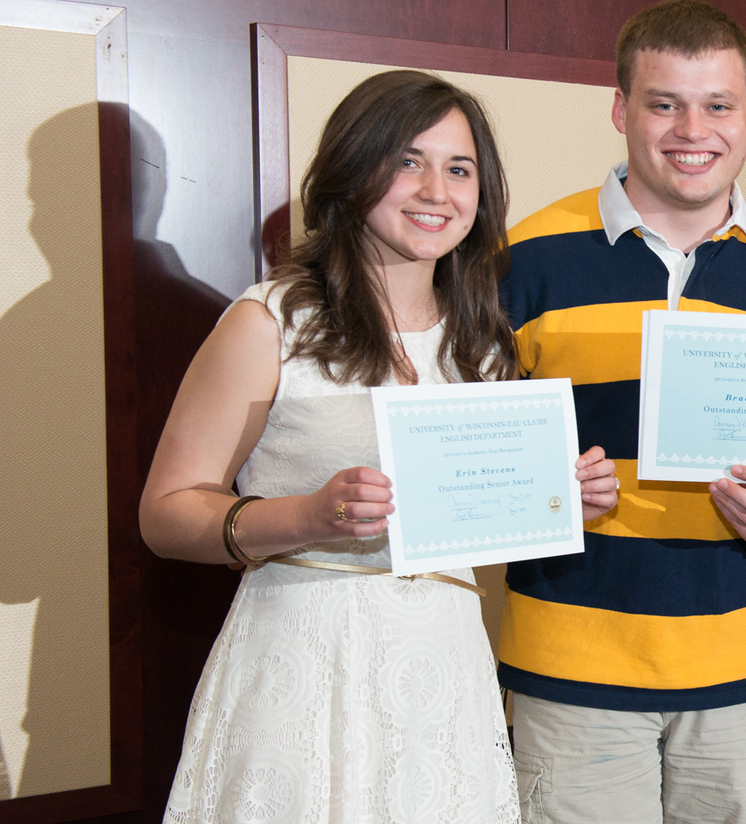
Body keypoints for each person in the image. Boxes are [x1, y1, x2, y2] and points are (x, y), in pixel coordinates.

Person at [140, 70, 618, 822]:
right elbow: (165, 514)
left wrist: (562, 499)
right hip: (304, 663)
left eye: (459, 169)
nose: (436, 190)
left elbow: (475, 517)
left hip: (444, 670)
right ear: (351, 171)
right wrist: (305, 516)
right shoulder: (270, 323)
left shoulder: (483, 344)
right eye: (405, 161)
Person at [493, 2, 746, 821]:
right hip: (569, 669)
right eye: (663, 102)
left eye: (718, 104)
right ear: (620, 109)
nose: (694, 128)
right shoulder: (521, 265)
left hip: (736, 676)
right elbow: (471, 472)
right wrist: (537, 496)